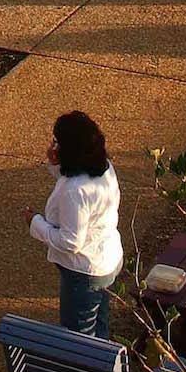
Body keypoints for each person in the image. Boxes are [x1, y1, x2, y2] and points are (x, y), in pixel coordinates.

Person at [25, 110, 122, 337]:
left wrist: (35, 223)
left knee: (79, 337)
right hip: (105, 260)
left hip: (84, 272)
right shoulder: (103, 167)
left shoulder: (74, 191)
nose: (53, 145)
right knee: (99, 325)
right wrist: (55, 164)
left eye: (56, 142)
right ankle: (103, 369)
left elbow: (70, 241)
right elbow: (74, 179)